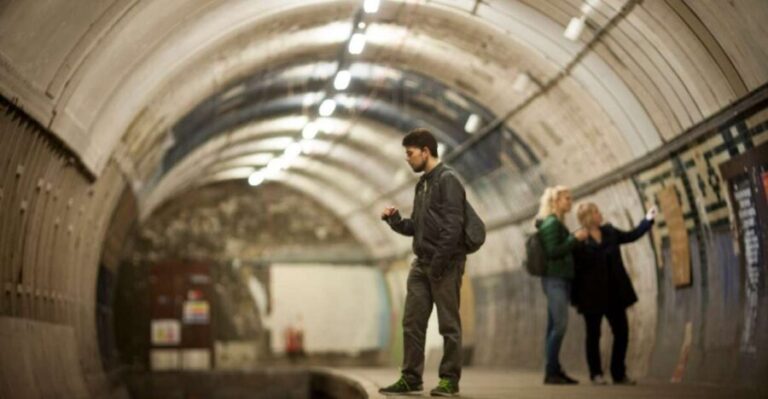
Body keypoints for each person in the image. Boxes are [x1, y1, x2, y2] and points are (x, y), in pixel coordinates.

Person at [379, 128, 467, 397]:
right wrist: (395, 221)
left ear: (425, 151)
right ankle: (411, 377)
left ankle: (449, 380)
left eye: (410, 153)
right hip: (421, 264)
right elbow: (417, 227)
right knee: (412, 322)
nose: (408, 159)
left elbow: (454, 227)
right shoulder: (423, 183)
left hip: (445, 264)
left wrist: (439, 263)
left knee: (448, 325)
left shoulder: (448, 180)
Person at [571, 203, 656, 385]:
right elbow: (573, 269)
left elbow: (631, 236)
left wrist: (647, 220)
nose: (600, 213)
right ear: (588, 217)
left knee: (622, 332)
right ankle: (596, 373)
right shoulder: (578, 240)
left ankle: (618, 372)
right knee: (593, 335)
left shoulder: (610, 232)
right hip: (591, 295)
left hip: (614, 292)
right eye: (596, 212)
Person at [536, 186, 588, 384]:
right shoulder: (551, 223)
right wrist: (574, 239)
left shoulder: (558, 223)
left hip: (561, 279)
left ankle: (555, 369)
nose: (570, 201)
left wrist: (571, 238)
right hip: (554, 280)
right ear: (555, 201)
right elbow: (552, 252)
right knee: (559, 325)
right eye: (567, 198)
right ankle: (551, 372)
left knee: (553, 326)